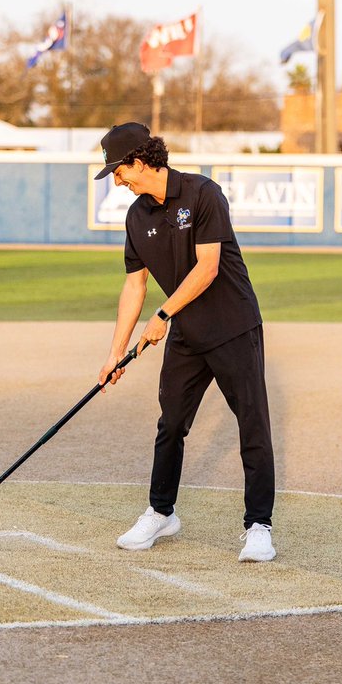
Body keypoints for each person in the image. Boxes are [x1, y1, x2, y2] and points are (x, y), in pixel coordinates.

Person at [95, 122, 277, 563]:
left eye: (118, 171)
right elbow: (134, 286)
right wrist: (115, 353)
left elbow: (208, 267)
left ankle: (258, 526)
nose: (115, 180)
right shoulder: (137, 216)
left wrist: (162, 315)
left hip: (233, 326)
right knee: (171, 424)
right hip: (187, 334)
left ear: (139, 162)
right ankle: (161, 512)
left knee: (252, 425)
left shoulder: (202, 194)